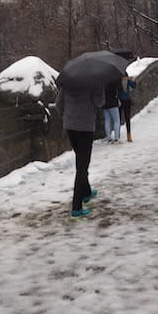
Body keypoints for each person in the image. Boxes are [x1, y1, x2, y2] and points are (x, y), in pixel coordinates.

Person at [55, 84, 104, 219]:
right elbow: (100, 103)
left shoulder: (68, 83)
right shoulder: (93, 84)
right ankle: (77, 207)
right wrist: (99, 90)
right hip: (86, 127)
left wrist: (67, 118)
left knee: (81, 161)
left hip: (70, 127)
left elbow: (58, 104)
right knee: (82, 166)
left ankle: (86, 191)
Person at [119, 74, 137, 142]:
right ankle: (129, 135)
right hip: (127, 100)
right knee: (127, 118)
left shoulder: (118, 81)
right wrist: (134, 80)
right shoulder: (128, 81)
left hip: (120, 101)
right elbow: (134, 86)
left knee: (119, 118)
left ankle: (117, 135)